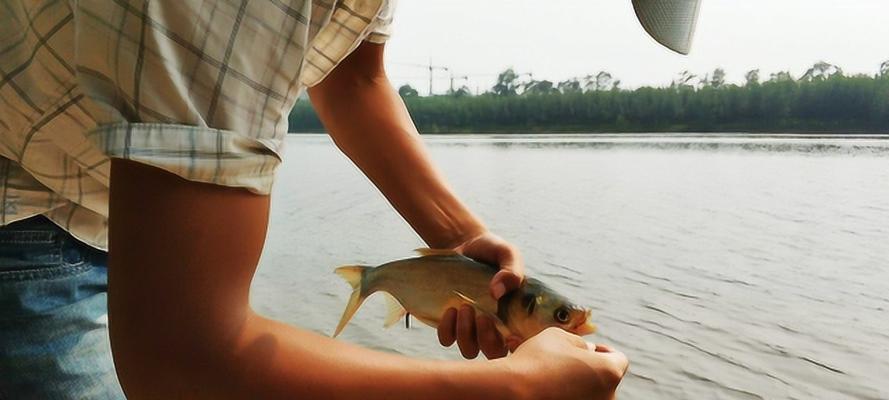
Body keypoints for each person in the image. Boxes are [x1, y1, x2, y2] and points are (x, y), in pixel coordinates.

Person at [0, 0, 700, 398]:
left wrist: (456, 237)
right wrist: (513, 391)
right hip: (22, 213)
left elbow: (350, 79)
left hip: (109, 216)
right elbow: (181, 359)